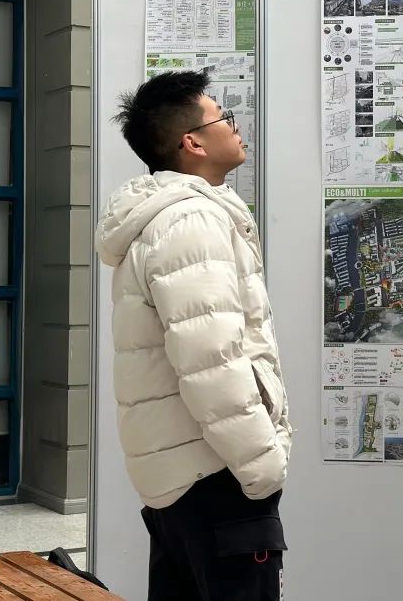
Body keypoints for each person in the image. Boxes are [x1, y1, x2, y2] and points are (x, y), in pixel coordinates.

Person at [94, 69, 292, 600]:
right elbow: (211, 359)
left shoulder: (165, 217)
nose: (235, 126)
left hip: (183, 475)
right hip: (216, 475)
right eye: (224, 117)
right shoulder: (191, 222)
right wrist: (262, 465)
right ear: (193, 143)